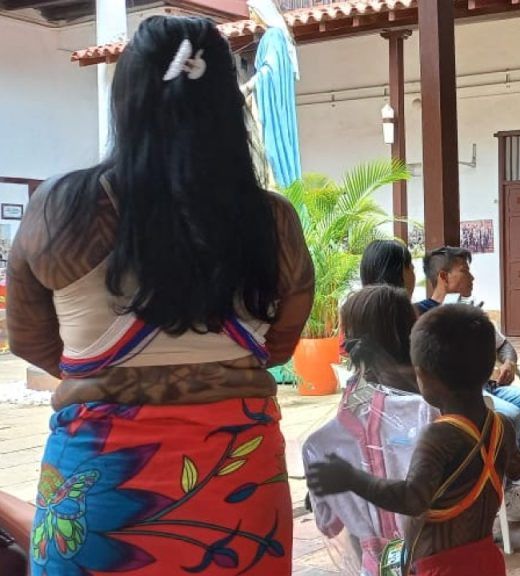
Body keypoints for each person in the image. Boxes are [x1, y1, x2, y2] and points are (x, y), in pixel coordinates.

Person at [7, 16, 313, 574]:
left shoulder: (60, 211)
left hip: (98, 494)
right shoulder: (273, 223)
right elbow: (279, 347)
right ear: (228, 104)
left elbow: (29, 340)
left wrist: (110, 374)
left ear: (126, 100)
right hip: (240, 494)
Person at [308, 304, 520, 576]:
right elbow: (518, 468)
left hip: (442, 568)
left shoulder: (439, 435)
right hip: (486, 559)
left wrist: (351, 478)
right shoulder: (501, 425)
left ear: (423, 376)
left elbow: (412, 500)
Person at [418, 246, 520, 520]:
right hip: (466, 396)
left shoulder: (473, 312)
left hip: (493, 388)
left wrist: (508, 363)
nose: (472, 278)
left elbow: (505, 346)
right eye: (464, 271)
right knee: (512, 416)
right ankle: (502, 481)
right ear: (443, 276)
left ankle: (495, 469)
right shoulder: (426, 318)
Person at [304, 285, 432, 571]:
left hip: (374, 560)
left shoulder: (355, 401)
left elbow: (328, 523)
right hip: (436, 548)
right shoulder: (433, 394)